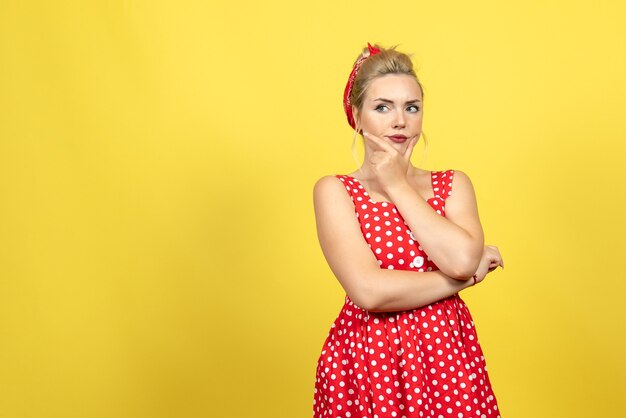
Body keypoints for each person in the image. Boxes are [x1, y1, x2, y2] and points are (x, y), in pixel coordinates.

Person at [312, 43, 505, 418]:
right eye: (382, 107)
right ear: (357, 116)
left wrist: (397, 184)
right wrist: (463, 280)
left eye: (411, 107)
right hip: (369, 360)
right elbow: (370, 292)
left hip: (447, 357)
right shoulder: (335, 191)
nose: (399, 120)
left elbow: (462, 258)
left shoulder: (453, 184)